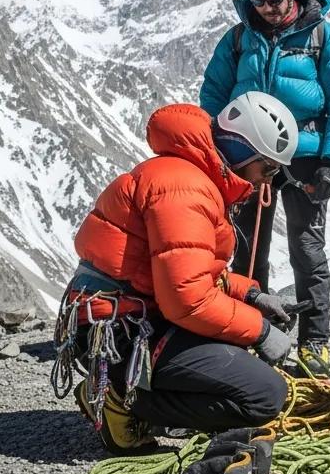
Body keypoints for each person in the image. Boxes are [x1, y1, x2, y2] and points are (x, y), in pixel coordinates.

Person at [59, 94, 299, 453]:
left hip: (124, 320)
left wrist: (251, 295)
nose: (267, 182)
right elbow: (187, 300)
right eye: (267, 169)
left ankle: (133, 393)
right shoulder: (185, 188)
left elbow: (189, 273)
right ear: (242, 154)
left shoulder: (189, 176)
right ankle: (120, 397)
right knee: (264, 395)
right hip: (123, 333)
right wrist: (260, 332)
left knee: (237, 359)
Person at [200, 0, 330, 376]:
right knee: (248, 251)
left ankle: (314, 343)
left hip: (306, 156)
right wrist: (220, 147)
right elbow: (214, 96)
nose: (270, 8)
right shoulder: (238, 39)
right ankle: (253, 333)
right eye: (260, 1)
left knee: (307, 250)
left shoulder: (324, 38)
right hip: (249, 158)